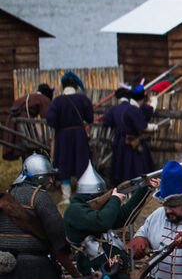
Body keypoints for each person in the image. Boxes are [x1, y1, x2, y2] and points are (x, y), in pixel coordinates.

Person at [0, 153, 79, 279]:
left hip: (5, 266)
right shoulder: (39, 197)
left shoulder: (8, 196)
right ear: (40, 178)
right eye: (48, 177)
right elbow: (57, 235)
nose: (51, 181)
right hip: (35, 269)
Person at [62, 161, 154, 279]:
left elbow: (124, 217)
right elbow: (102, 222)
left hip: (114, 276)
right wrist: (115, 199)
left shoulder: (94, 210)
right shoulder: (74, 211)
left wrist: (144, 189)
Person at [45, 71, 94, 205]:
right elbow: (90, 118)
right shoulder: (83, 99)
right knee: (81, 163)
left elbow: (50, 120)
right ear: (76, 86)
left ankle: (66, 198)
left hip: (63, 137)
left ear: (63, 85)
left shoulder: (57, 101)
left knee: (64, 164)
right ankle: (82, 196)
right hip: (79, 136)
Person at [104, 83, 155, 186]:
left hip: (120, 140)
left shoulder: (115, 109)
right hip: (132, 140)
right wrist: (154, 127)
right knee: (136, 168)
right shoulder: (133, 109)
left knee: (122, 167)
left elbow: (106, 122)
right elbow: (143, 124)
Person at [2, 83, 52, 161]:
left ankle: (26, 164)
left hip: (12, 123)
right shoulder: (43, 98)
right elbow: (48, 116)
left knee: (25, 145)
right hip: (23, 124)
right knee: (31, 144)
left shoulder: (27, 97)